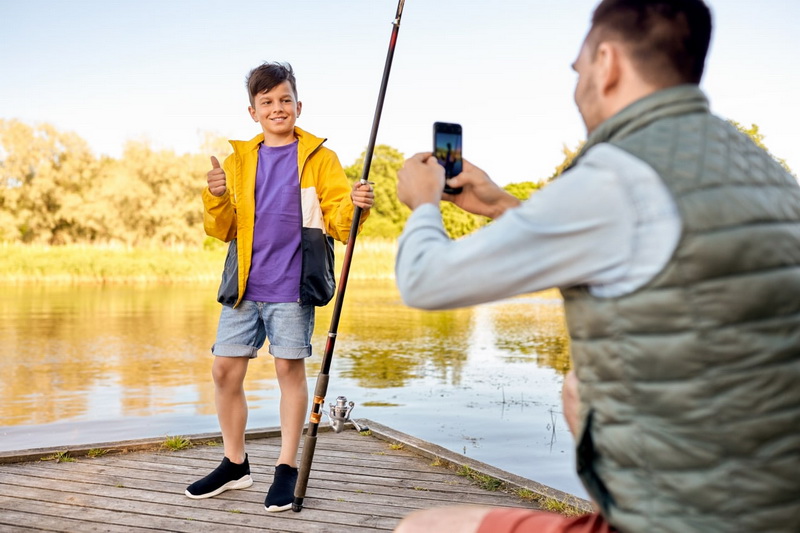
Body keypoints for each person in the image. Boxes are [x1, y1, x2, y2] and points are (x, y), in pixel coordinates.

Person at [393, 0, 800, 532]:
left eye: (579, 68)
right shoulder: (754, 164)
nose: (579, 82)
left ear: (606, 63)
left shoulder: (619, 173)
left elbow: (425, 279)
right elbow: (641, 245)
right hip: (774, 501)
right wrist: (498, 206)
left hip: (692, 518)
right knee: (577, 387)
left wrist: (424, 203)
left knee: (423, 528)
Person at [186, 62, 374, 512]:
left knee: (289, 372)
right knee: (223, 371)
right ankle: (236, 464)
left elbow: (339, 223)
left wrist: (357, 207)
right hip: (243, 287)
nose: (277, 108)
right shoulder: (236, 161)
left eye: (284, 99)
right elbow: (224, 229)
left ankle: (286, 468)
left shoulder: (320, 158)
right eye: (266, 102)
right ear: (252, 111)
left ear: (298, 105)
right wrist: (214, 197)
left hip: (293, 286)